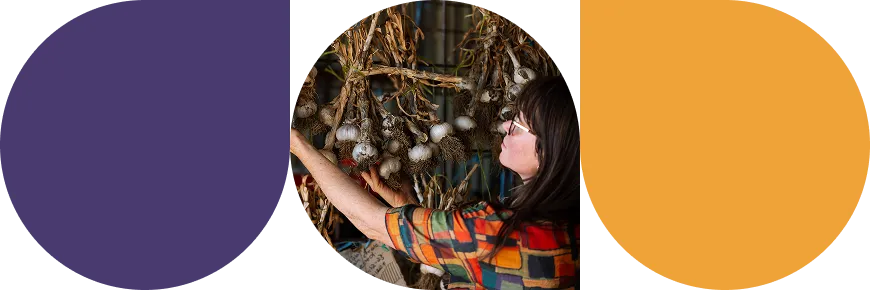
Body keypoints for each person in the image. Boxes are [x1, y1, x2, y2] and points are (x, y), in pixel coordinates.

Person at [290, 76, 582, 289]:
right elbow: (461, 256)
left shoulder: (493, 229)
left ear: (551, 149)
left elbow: (370, 222)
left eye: (518, 124)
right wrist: (405, 206)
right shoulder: (572, 226)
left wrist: (298, 145)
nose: (505, 126)